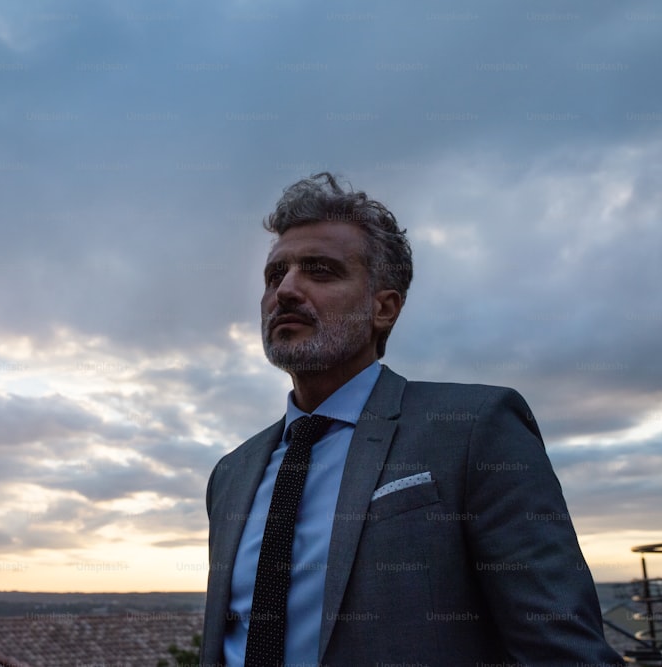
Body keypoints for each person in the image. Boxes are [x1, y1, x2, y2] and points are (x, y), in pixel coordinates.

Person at [200, 173, 623, 666]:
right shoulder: (231, 474)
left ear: (384, 308)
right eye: (276, 276)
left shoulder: (474, 429)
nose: (287, 290)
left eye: (320, 271)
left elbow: (562, 651)